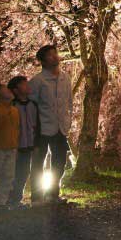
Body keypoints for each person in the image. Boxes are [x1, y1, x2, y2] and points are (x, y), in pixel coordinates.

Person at [29, 45, 72, 204]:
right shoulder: (37, 81)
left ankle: (53, 194)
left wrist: (68, 121)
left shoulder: (65, 78)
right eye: (49, 55)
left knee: (60, 161)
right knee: (38, 162)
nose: (54, 57)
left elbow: (69, 101)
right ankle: (37, 197)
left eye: (55, 53)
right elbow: (31, 106)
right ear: (43, 61)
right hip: (42, 128)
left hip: (61, 127)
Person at [7, 76, 38, 208]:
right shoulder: (12, 106)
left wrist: (37, 143)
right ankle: (11, 199)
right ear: (16, 89)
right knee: (14, 172)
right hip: (16, 146)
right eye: (24, 84)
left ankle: (18, 199)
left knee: (25, 171)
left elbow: (38, 125)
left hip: (30, 144)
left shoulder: (33, 104)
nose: (27, 85)